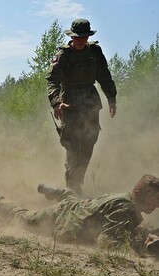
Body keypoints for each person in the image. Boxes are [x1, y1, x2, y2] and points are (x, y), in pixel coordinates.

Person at [0, 174, 159, 257]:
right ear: (137, 192)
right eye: (153, 197)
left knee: (73, 198)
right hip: (62, 219)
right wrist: (137, 252)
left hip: (76, 207)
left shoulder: (125, 200)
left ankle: (58, 192)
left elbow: (114, 227)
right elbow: (106, 240)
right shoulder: (126, 208)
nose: (156, 203)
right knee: (24, 218)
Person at [46, 18, 117, 194]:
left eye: (84, 37)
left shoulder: (95, 52)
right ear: (72, 36)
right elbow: (53, 81)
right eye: (77, 37)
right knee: (72, 142)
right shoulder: (63, 56)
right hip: (69, 102)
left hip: (90, 101)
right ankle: (72, 185)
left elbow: (104, 76)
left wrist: (111, 98)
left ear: (88, 36)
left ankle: (78, 181)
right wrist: (56, 103)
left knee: (89, 141)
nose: (80, 40)